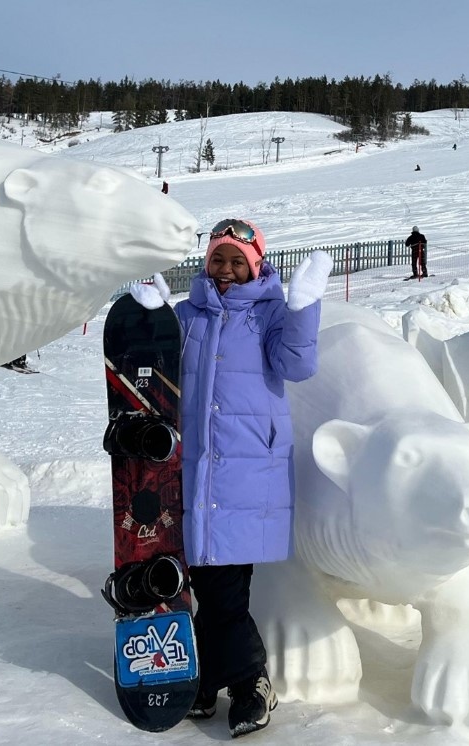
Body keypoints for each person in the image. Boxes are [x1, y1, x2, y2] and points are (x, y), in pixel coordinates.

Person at [130, 218, 332, 739]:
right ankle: (215, 677)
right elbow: (154, 369)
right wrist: (149, 319)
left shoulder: (270, 316)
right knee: (203, 581)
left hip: (247, 470)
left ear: (256, 265)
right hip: (193, 467)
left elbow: (298, 365)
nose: (225, 269)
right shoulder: (188, 315)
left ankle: (247, 682)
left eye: (237, 261)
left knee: (223, 589)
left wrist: (304, 307)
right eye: (218, 258)